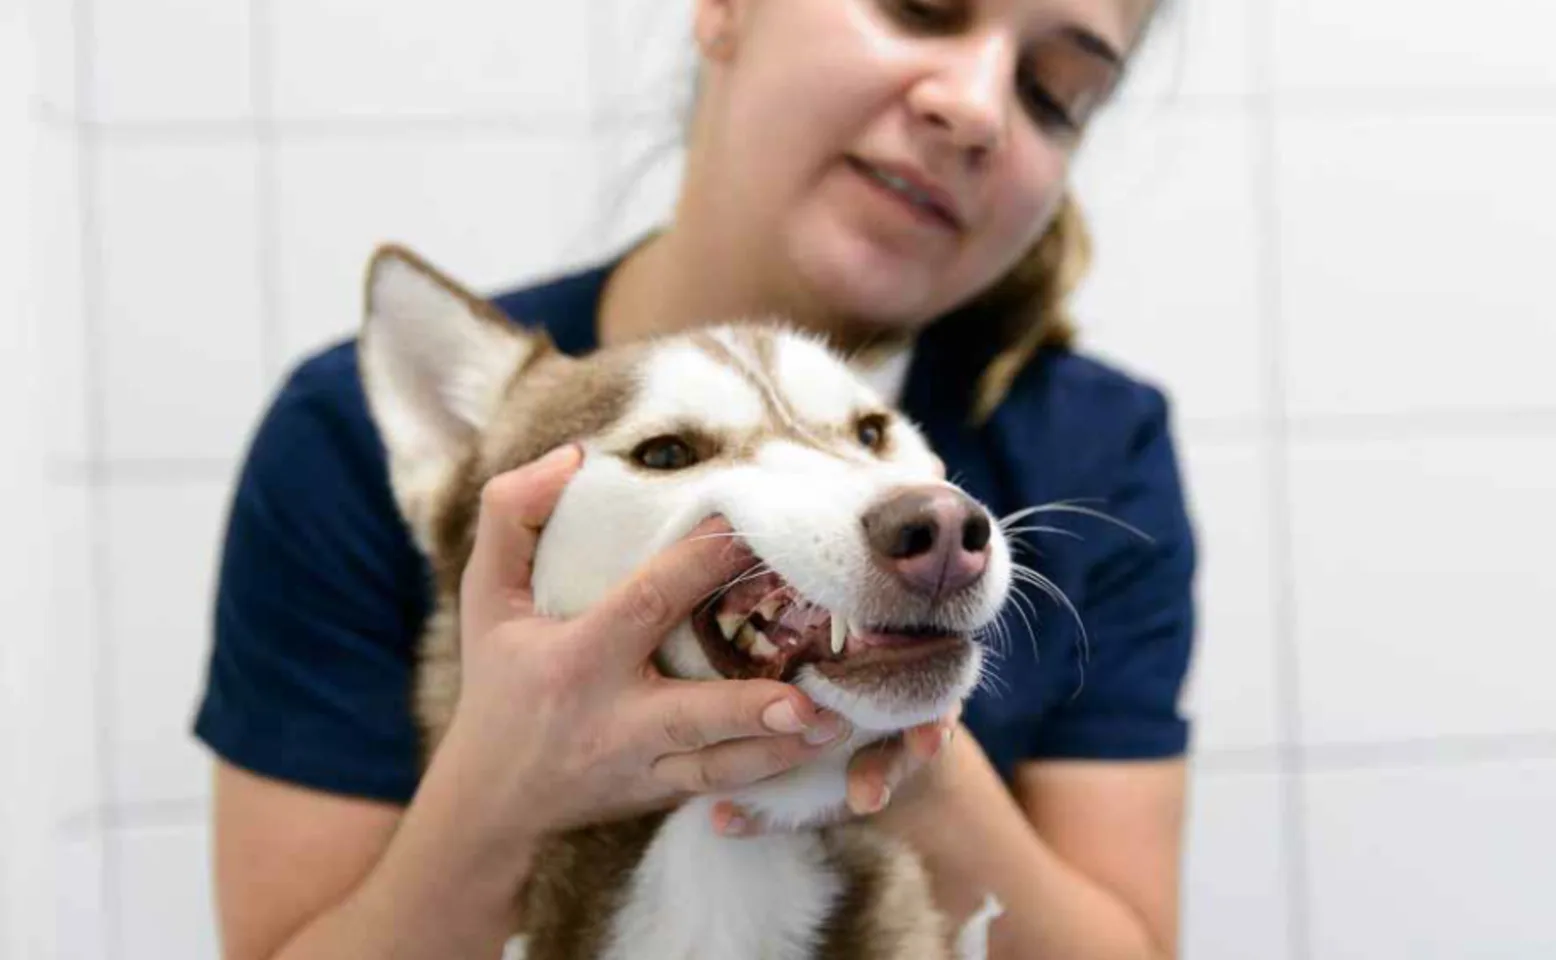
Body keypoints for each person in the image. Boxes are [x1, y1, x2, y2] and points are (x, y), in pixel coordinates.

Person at [194, 1, 1195, 958]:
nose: (976, 109)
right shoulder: (345, 439)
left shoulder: (1095, 449)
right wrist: (500, 793)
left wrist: (917, 762)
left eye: (1052, 92)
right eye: (918, 7)